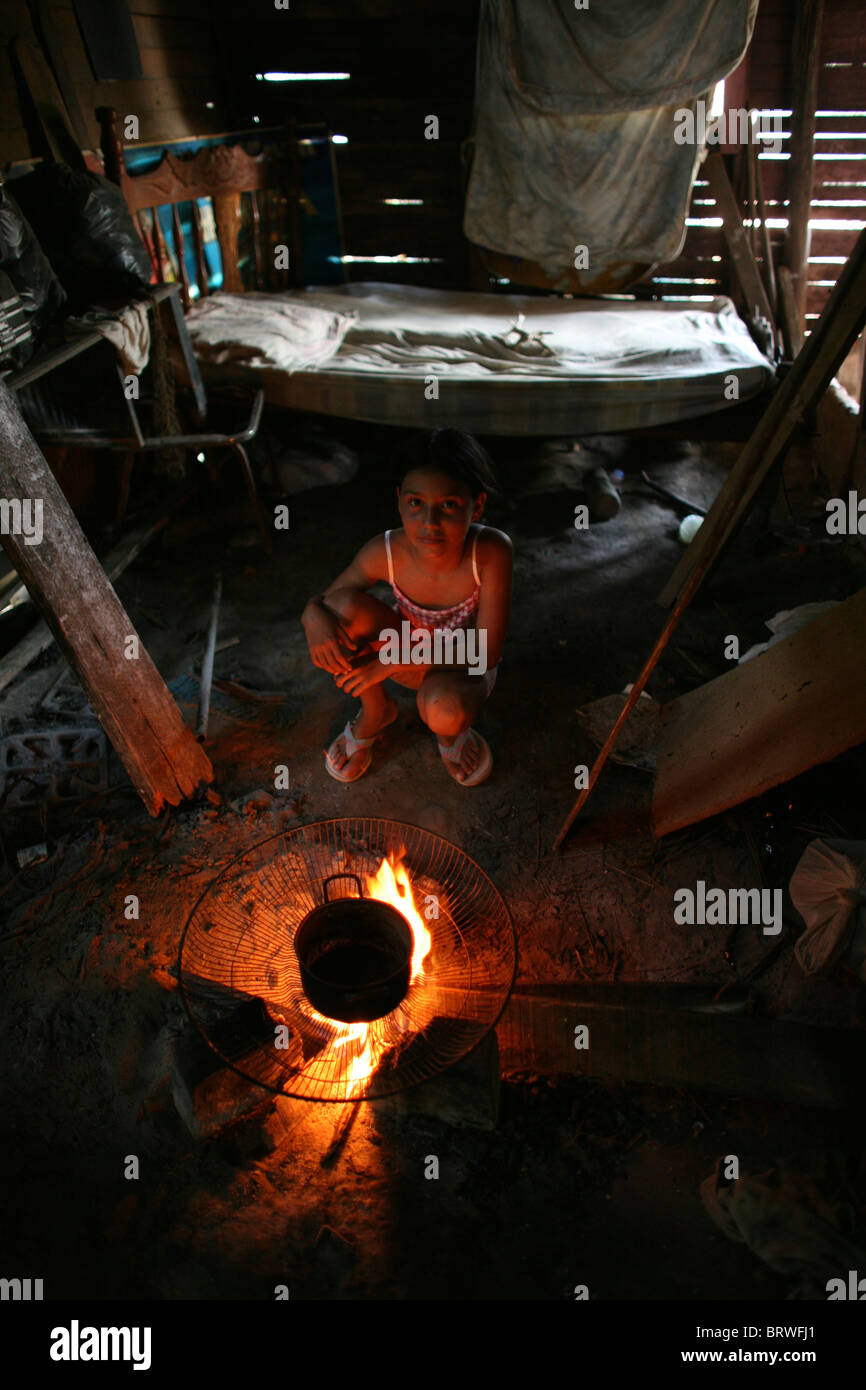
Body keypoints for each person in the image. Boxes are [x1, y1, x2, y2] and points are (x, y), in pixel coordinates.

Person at [301, 428, 512, 786]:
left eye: (448, 505)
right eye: (416, 503)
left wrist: (389, 662)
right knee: (337, 613)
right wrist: (310, 614)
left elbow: (485, 652)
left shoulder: (490, 552)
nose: (429, 523)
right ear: (399, 500)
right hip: (404, 650)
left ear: (476, 505)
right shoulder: (384, 551)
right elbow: (329, 602)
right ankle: (376, 710)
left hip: (461, 668)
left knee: (442, 709)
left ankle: (449, 736)